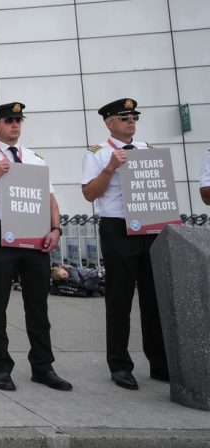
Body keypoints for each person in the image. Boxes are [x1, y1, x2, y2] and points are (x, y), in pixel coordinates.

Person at [0, 102, 71, 392]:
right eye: (9, 120)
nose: (15, 125)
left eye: (18, 120)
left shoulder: (34, 158)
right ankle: (0, 367)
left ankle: (43, 366)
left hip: (34, 235)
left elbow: (49, 198)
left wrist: (56, 228)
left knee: (38, 303)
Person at [81, 98, 168, 390]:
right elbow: (89, 194)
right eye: (124, 117)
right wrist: (109, 168)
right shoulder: (97, 154)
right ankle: (119, 364)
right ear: (109, 122)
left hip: (149, 226)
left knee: (154, 299)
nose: (131, 121)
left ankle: (160, 362)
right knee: (119, 299)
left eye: (134, 116)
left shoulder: (148, 151)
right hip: (118, 226)